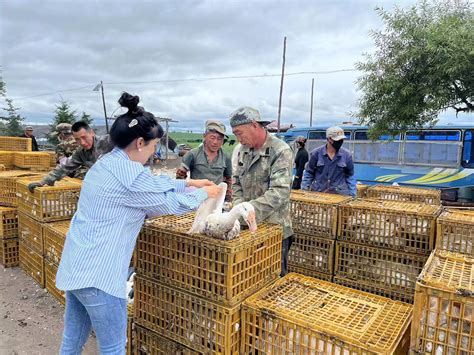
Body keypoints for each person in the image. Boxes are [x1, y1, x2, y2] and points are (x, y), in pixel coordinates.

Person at [55, 92, 221, 354]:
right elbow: (168, 205)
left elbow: (153, 183)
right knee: (113, 347)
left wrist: (189, 183)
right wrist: (204, 194)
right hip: (100, 276)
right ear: (140, 142)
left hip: (75, 268)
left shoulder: (106, 163)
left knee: (72, 343)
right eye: (155, 146)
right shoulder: (131, 176)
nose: (154, 152)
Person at [230, 107, 293, 276]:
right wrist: (238, 208)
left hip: (274, 230)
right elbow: (236, 183)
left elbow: (280, 192)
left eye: (239, 133)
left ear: (254, 125)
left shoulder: (280, 150)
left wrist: (249, 210)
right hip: (247, 229)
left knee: (273, 281)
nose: (238, 138)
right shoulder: (243, 150)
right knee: (247, 278)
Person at [27, 121, 113, 191]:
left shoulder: (109, 141)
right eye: (77, 139)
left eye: (84, 137)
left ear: (92, 133)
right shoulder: (81, 152)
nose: (82, 142)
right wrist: (43, 181)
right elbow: (65, 167)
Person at [176, 120, 233, 201]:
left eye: (219, 139)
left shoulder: (226, 157)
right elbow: (180, 177)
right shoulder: (192, 154)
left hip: (216, 200)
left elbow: (228, 180)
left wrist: (227, 200)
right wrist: (184, 197)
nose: (215, 142)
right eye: (212, 138)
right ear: (204, 136)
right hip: (196, 199)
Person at [301, 126, 356, 197]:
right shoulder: (316, 154)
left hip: (340, 196)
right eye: (338, 140)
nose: (340, 142)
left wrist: (352, 196)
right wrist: (304, 191)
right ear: (329, 139)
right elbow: (308, 173)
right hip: (319, 195)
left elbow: (350, 176)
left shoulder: (347, 155)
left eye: (342, 139)